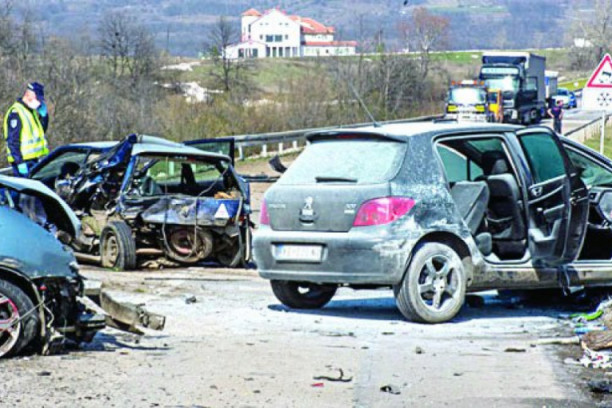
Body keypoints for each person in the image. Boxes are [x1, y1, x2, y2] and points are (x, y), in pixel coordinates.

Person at [3, 82, 49, 177]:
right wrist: (20, 163)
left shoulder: (31, 112)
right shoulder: (16, 113)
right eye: (37, 99)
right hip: (23, 162)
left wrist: (44, 117)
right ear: (28, 94)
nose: (39, 102)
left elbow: (39, 133)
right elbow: (13, 141)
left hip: (34, 160)